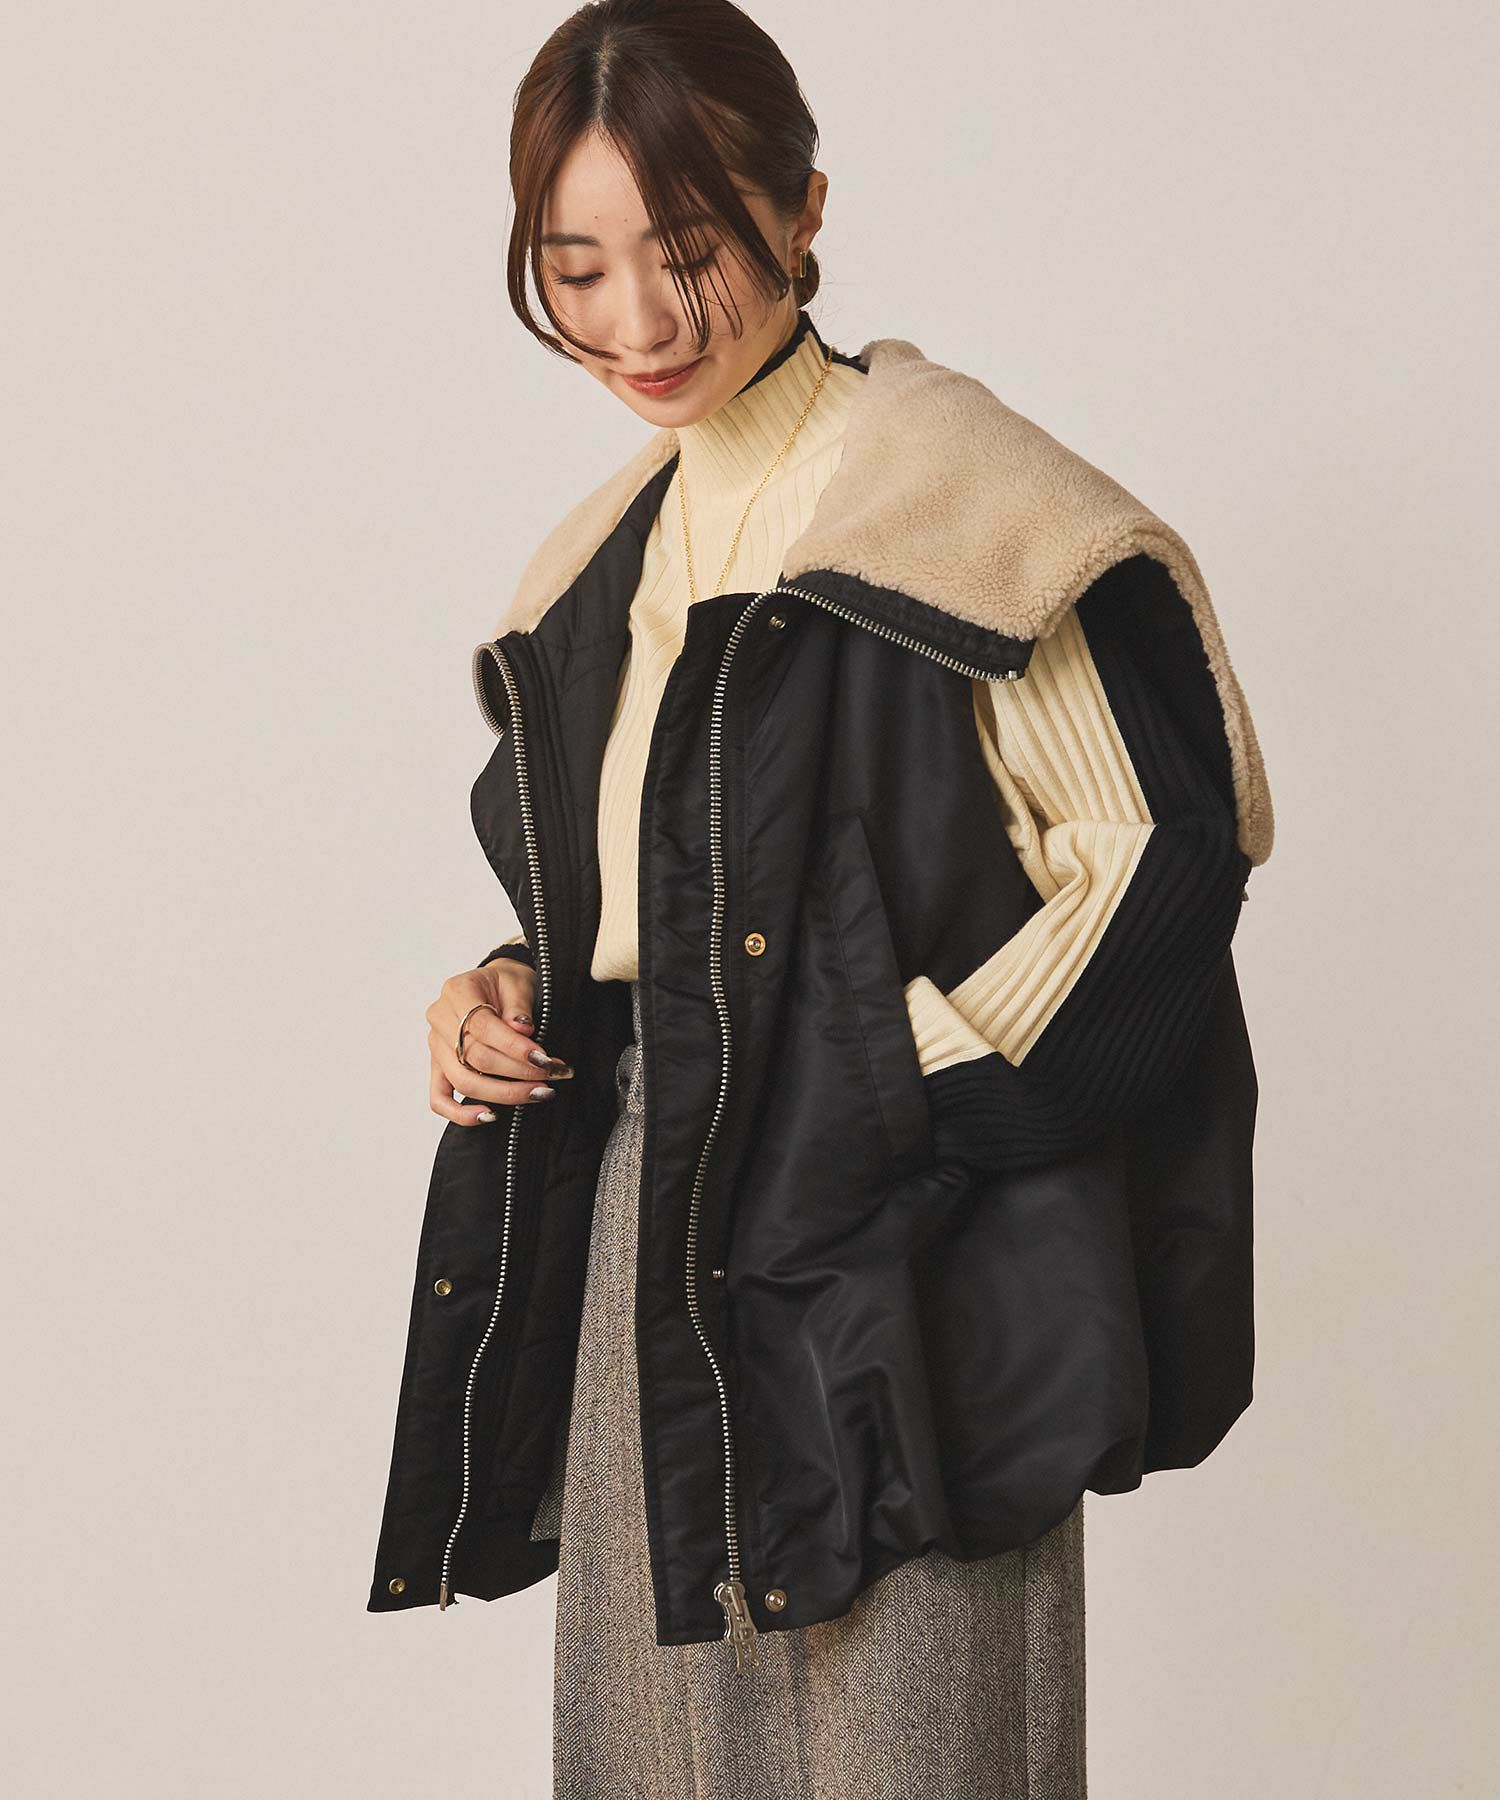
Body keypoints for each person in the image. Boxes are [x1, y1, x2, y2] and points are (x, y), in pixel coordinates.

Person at [368, 4, 1276, 1796]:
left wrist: (900, 1088)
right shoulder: (595, 570)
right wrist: (509, 983)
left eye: (690, 251)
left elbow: (1163, 855)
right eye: (580, 270)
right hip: (651, 1227)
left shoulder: (970, 516)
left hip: (910, 1254)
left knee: (908, 1752)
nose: (640, 323)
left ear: (803, 209)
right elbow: (664, 898)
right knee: (657, 1756)